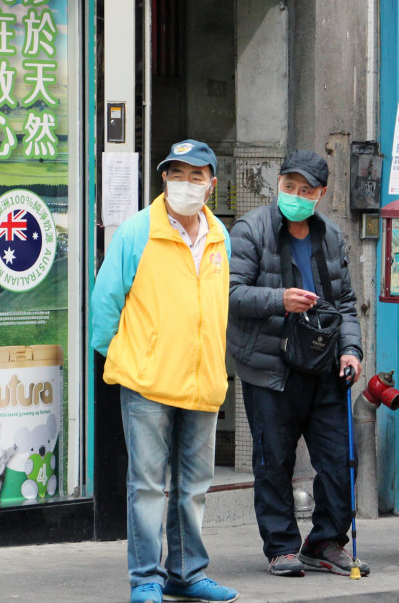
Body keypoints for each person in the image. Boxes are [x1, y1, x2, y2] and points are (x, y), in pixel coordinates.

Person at [90, 139, 239, 603]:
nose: (187, 183)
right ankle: (147, 578)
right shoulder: (138, 231)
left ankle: (187, 574)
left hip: (202, 380)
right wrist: (127, 354)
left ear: (211, 186)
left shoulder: (219, 236)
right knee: (149, 485)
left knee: (193, 487)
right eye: (178, 173)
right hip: (148, 381)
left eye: (197, 175)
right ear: (164, 179)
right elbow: (105, 303)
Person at [226, 150, 366, 578]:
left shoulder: (332, 236)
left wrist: (351, 351)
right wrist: (279, 300)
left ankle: (324, 541)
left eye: (306, 190)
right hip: (271, 366)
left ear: (321, 194)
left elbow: (345, 304)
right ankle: (282, 546)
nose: (296, 195)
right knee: (274, 462)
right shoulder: (251, 230)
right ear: (279, 184)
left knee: (341, 459)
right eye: (289, 186)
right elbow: (228, 294)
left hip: (325, 365)